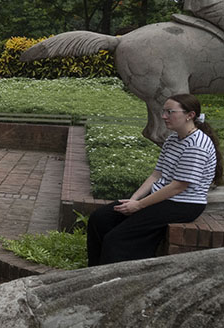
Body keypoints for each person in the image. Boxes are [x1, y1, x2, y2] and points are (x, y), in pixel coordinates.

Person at [87, 94, 221, 265]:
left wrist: (139, 205)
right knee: (101, 218)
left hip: (184, 204)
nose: (164, 116)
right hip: (163, 197)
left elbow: (177, 187)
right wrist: (134, 199)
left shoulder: (197, 145)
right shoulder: (173, 138)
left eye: (170, 112)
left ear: (190, 115)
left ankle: (115, 281)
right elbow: (156, 175)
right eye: (163, 111)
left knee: (118, 239)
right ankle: (92, 271)